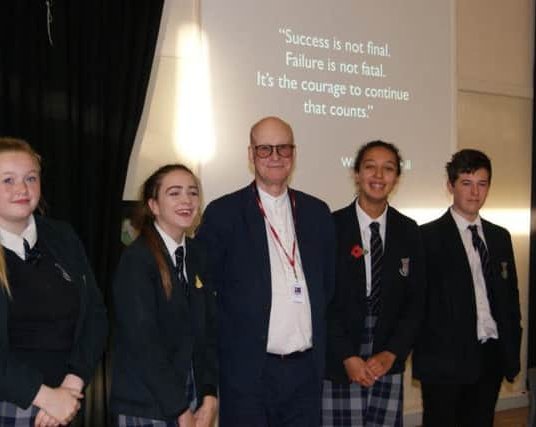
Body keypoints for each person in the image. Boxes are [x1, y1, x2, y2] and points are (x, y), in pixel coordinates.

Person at [0, 134, 107, 427]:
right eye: (8, 180)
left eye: (30, 178)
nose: (22, 189)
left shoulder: (63, 237)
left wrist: (71, 387)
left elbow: (95, 316)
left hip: (62, 407)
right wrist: (44, 396)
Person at [196, 116, 336, 426]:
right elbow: (205, 295)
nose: (275, 157)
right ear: (250, 155)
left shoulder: (317, 212)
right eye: (265, 149)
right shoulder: (223, 214)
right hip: (247, 373)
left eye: (283, 149)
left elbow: (327, 286)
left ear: (294, 154)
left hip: (305, 372)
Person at [413, 149, 522, 426]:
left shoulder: (500, 237)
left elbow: (510, 299)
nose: (475, 192)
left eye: (482, 184)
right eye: (466, 183)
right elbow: (417, 305)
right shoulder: (426, 238)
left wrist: (510, 348)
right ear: (450, 186)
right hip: (445, 363)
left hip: (491, 356)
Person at [322, 141, 426, 426]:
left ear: (396, 178)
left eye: (388, 169)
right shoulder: (330, 226)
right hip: (341, 354)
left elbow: (416, 302)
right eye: (370, 167)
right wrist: (347, 356)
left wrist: (393, 352)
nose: (379, 176)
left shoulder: (409, 230)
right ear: (356, 173)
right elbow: (321, 301)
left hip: (386, 354)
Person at [110, 164, 218, 427]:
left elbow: (206, 332)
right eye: (174, 193)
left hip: (190, 397)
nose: (186, 200)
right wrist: (179, 408)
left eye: (193, 193)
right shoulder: (137, 259)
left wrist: (209, 394)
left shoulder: (197, 255)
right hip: (149, 403)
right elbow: (143, 342)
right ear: (153, 205)